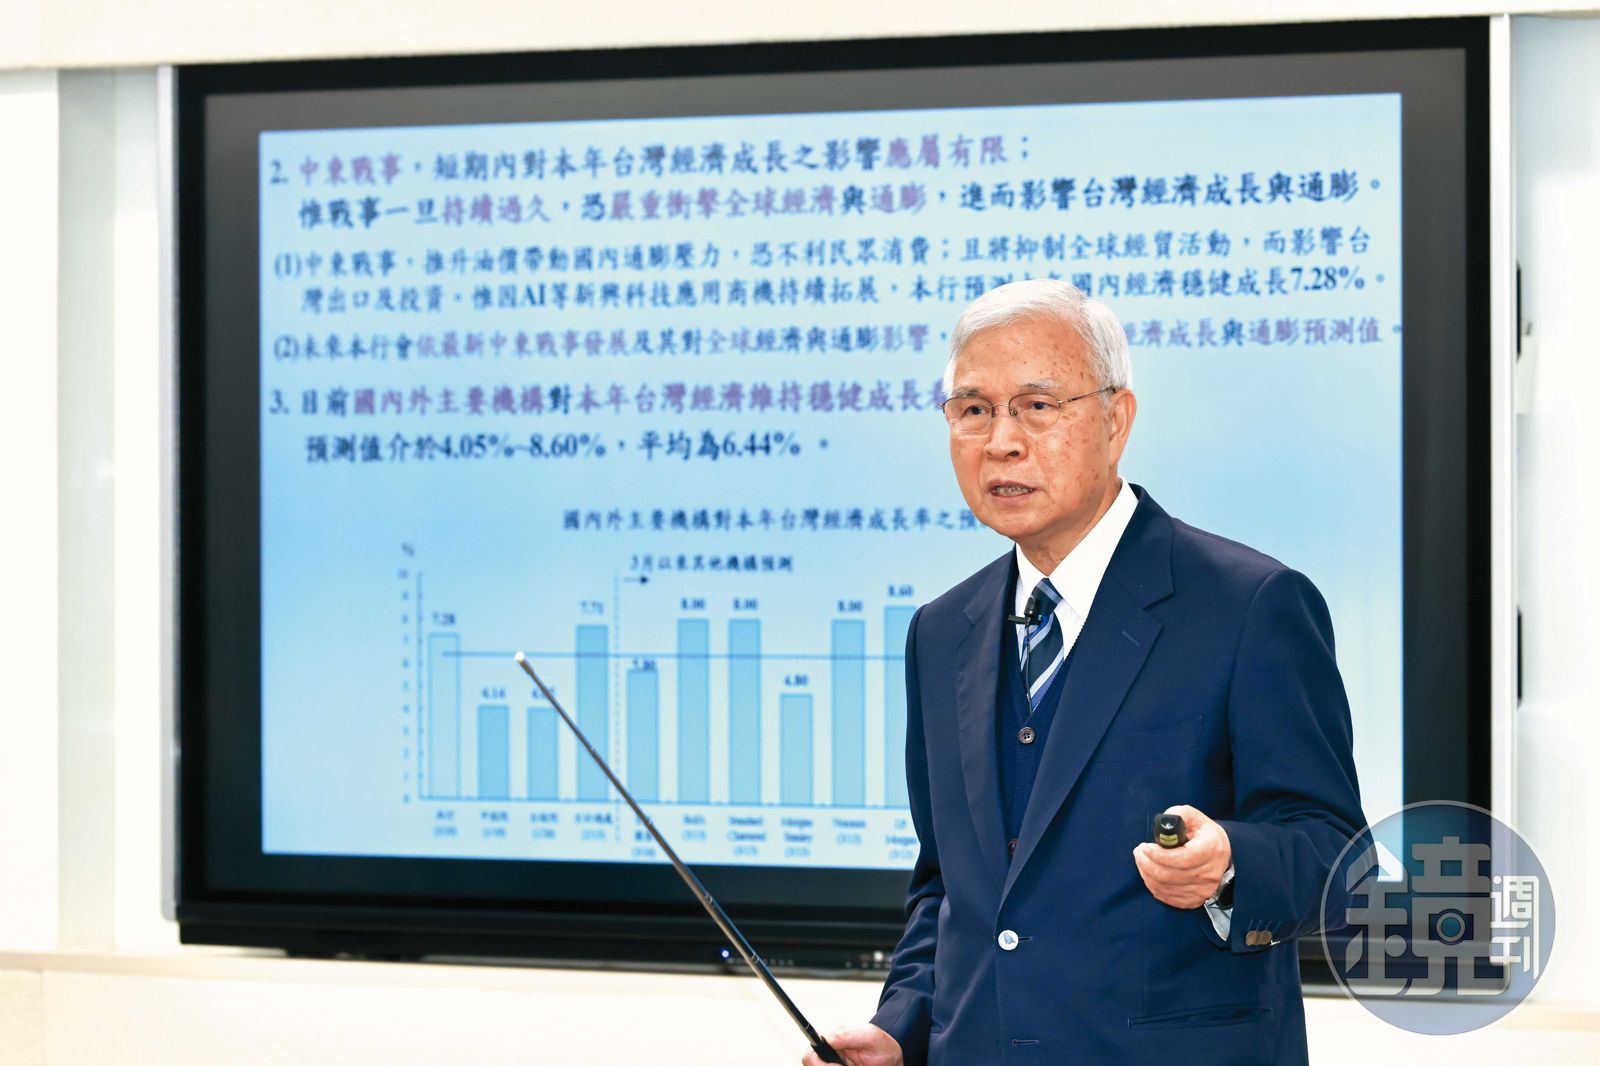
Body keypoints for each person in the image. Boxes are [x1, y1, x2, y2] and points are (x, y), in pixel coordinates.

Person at [803, 279, 1366, 1066]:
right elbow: (949, 890)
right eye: (973, 410)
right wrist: (902, 1026)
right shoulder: (942, 631)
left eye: (1037, 406)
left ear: (1116, 419)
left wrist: (1232, 864)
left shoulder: (1250, 605)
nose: (1001, 441)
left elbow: (1339, 858)